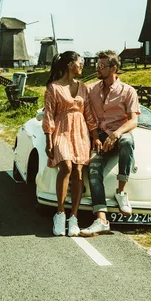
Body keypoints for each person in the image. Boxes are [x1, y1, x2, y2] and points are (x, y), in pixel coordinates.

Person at [80, 50, 140, 237]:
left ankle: (121, 192)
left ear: (114, 69)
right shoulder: (91, 90)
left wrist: (116, 134)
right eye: (97, 65)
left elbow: (133, 121)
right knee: (94, 168)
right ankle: (101, 220)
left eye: (102, 66)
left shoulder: (128, 91)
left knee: (128, 141)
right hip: (98, 137)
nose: (98, 68)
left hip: (118, 134)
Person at [42, 51, 99, 237]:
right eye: (79, 62)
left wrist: (95, 136)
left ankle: (73, 217)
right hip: (61, 130)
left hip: (81, 131)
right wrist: (48, 140)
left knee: (78, 171)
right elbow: (49, 115)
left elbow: (89, 114)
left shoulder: (83, 88)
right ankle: (59, 213)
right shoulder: (53, 88)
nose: (82, 65)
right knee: (66, 166)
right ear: (69, 65)